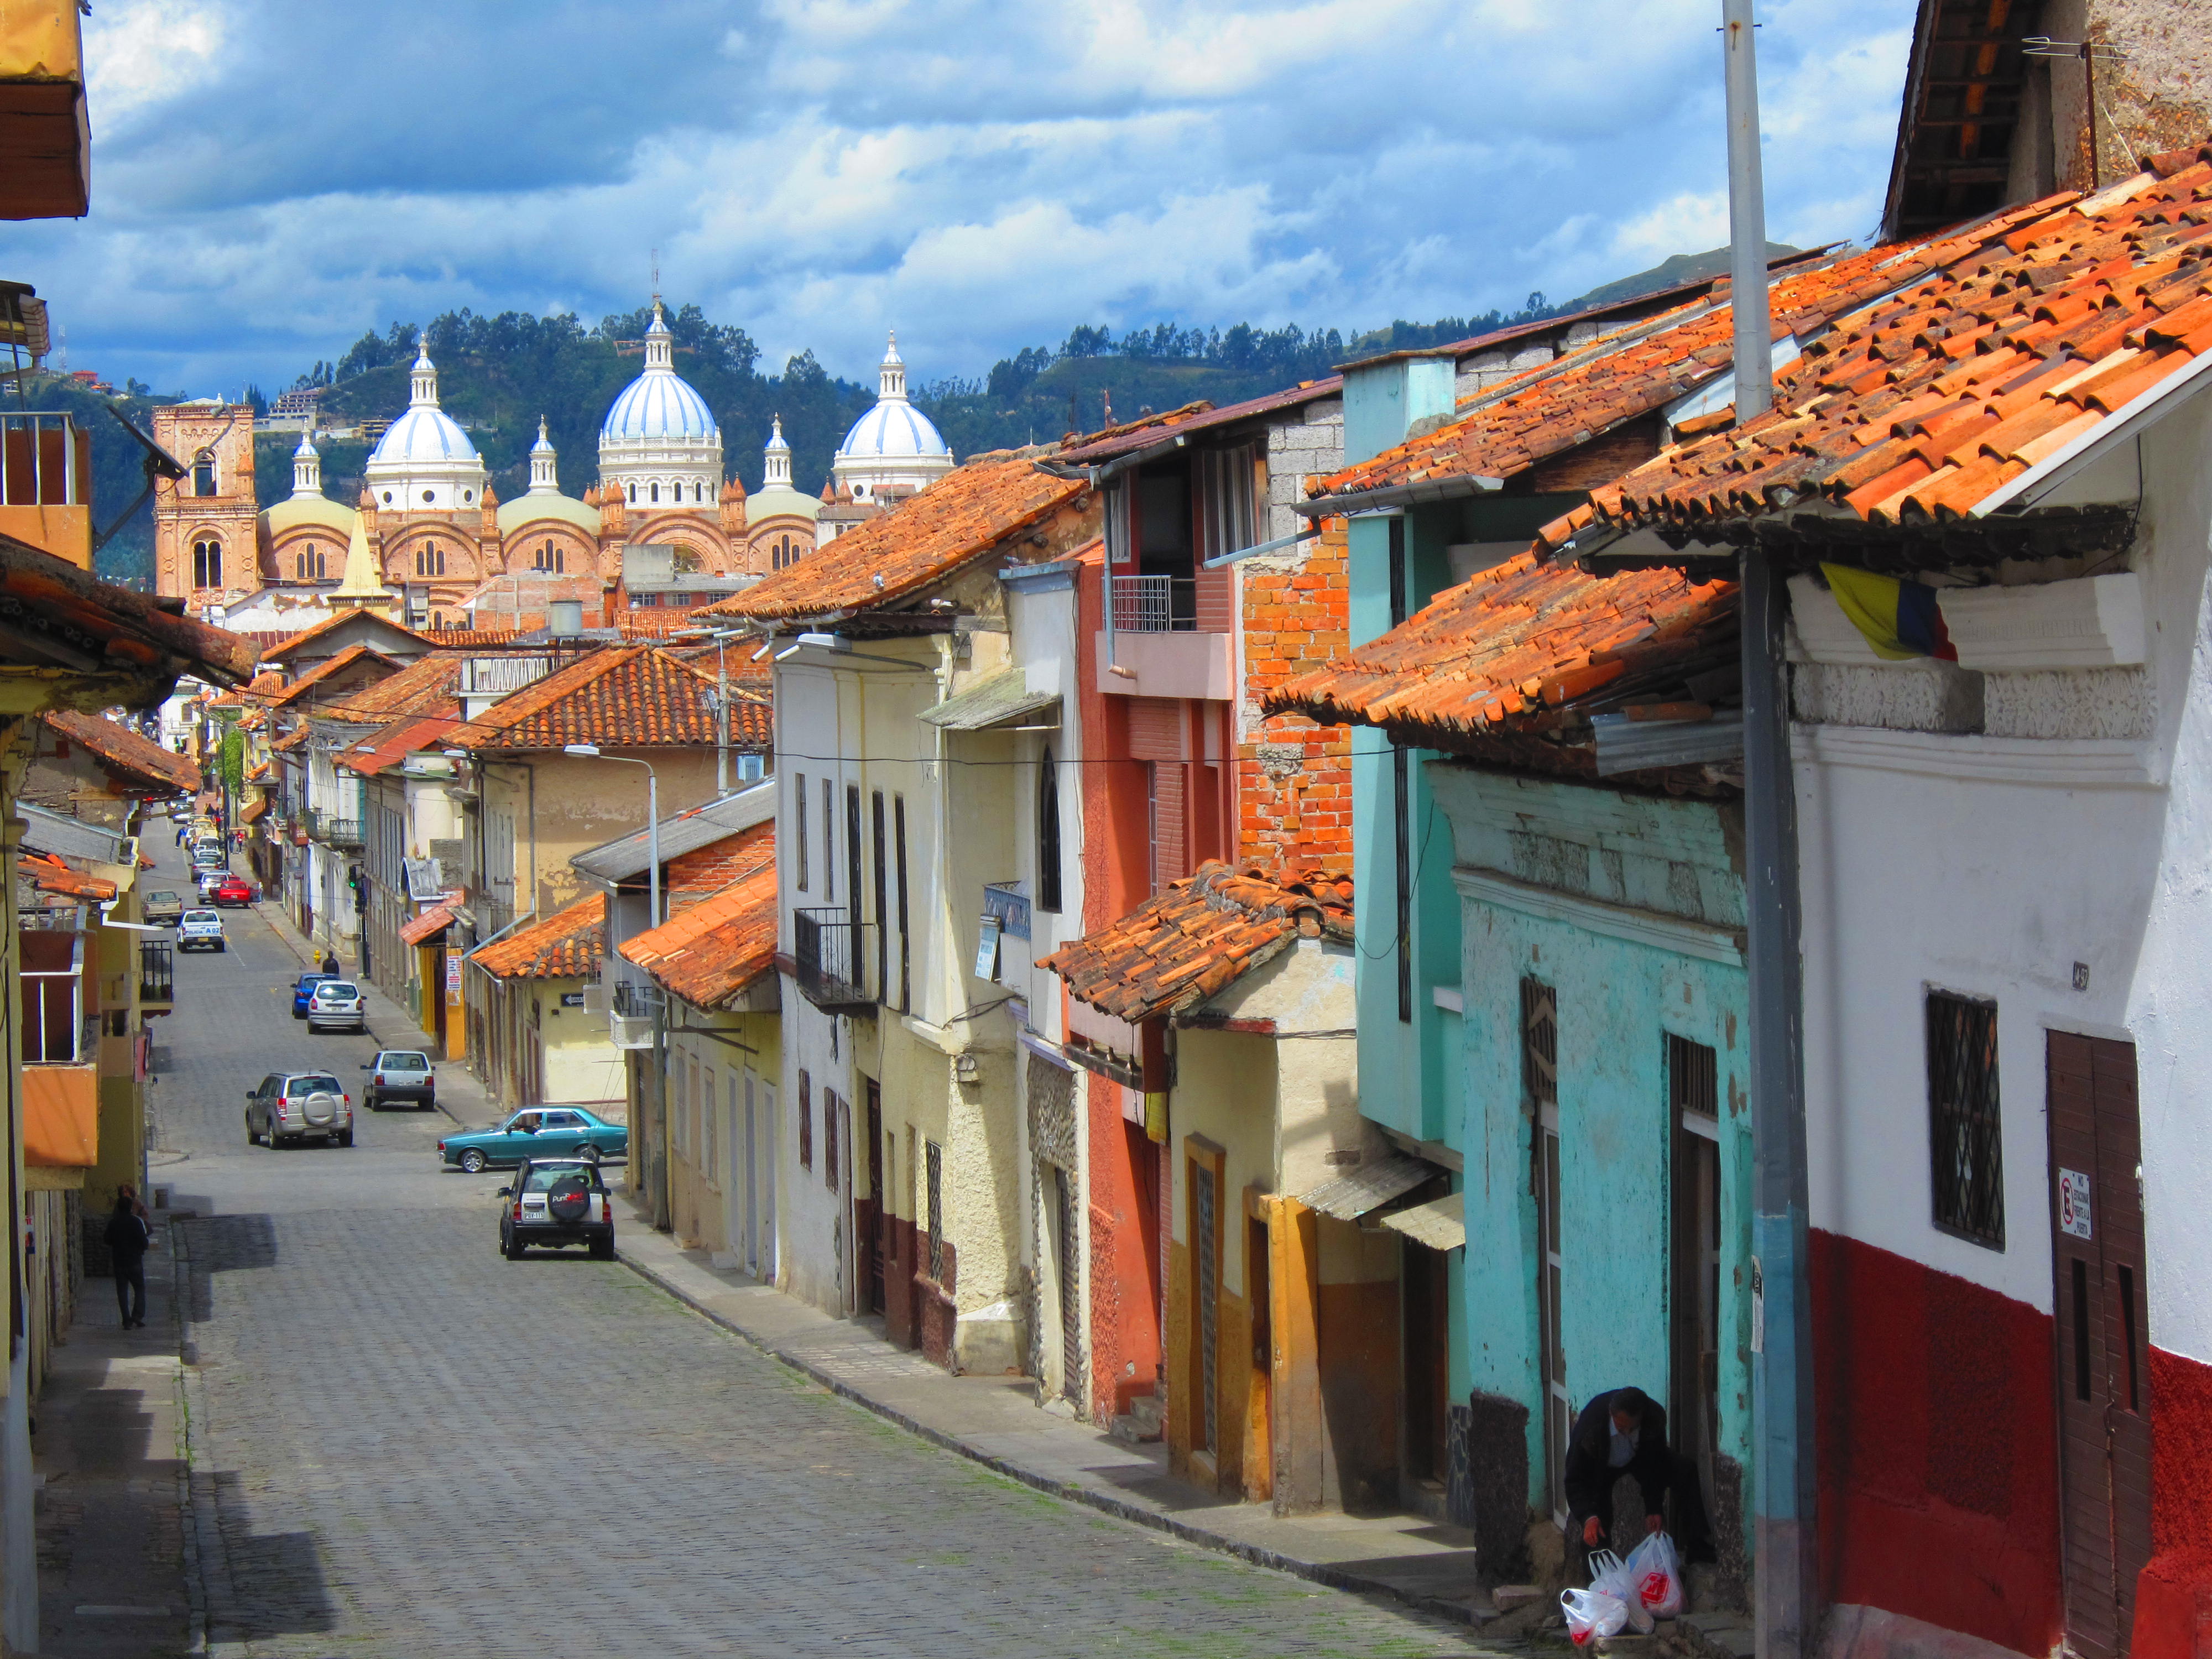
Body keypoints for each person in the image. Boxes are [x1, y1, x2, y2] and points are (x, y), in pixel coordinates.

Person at [1563, 1385, 1711, 1568]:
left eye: (1632, 1428)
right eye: (1621, 1428)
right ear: (1611, 1414)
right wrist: (1588, 1517)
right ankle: (1599, 1583)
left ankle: (1698, 1546)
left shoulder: (1654, 1417)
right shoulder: (1589, 1429)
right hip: (1600, 1466)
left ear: (1641, 1417)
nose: (1626, 1433)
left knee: (1685, 1470)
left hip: (1640, 1458)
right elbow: (1575, 1480)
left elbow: (1655, 1464)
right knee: (1597, 1524)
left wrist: (1653, 1507)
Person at [103, 1185, 152, 1330]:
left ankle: (126, 1320)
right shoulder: (136, 1222)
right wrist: (140, 1249)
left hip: (119, 1261)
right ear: (131, 1207)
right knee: (139, 1288)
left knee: (122, 1291)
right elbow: (144, 1242)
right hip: (135, 1261)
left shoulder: (114, 1222)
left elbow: (107, 1240)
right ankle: (137, 1315)